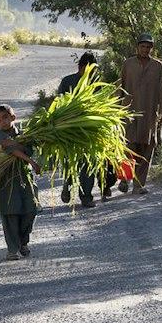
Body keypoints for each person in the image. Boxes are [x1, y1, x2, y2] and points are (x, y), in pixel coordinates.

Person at [117, 34, 162, 194]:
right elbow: (120, 87)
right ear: (137, 47)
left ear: (151, 49)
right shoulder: (128, 64)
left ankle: (139, 185)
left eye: (148, 47)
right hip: (129, 113)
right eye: (143, 47)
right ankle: (125, 179)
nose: (145, 50)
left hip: (149, 114)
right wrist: (114, 109)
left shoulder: (157, 66)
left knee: (146, 148)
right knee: (128, 147)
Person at [56, 51, 108, 208]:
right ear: (81, 66)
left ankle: (85, 196)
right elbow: (60, 103)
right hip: (73, 130)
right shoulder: (70, 82)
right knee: (73, 162)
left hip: (86, 131)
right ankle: (69, 187)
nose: (91, 72)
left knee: (87, 163)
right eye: (90, 68)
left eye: (94, 69)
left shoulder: (94, 84)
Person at [0, 103, 42, 259]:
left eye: (5, 117)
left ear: (13, 117)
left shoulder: (25, 133)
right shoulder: (0, 135)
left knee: (30, 209)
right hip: (7, 179)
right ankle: (12, 250)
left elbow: (29, 147)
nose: (2, 122)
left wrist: (20, 144)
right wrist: (31, 160)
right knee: (10, 213)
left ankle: (23, 242)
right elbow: (10, 148)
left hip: (24, 177)